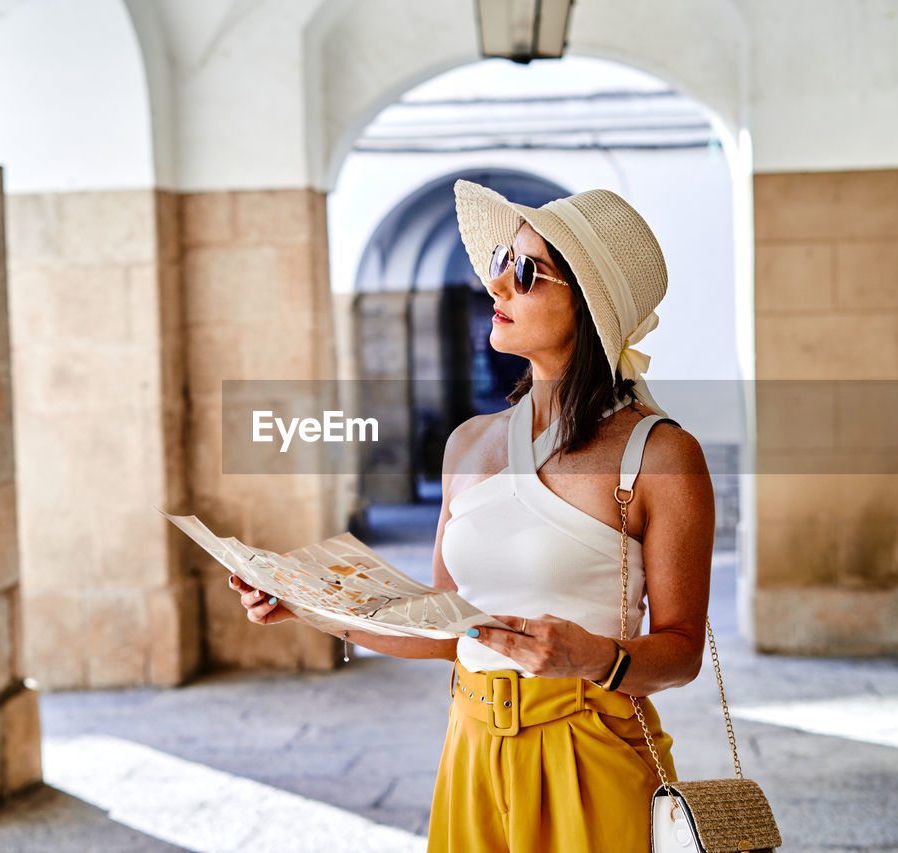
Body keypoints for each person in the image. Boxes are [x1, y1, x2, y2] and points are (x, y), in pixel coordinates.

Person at [228, 179, 715, 852]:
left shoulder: (660, 456)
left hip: (591, 750)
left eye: (525, 272)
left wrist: (595, 655)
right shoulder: (468, 443)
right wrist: (310, 606)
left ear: (591, 305)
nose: (497, 288)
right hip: (470, 747)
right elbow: (444, 625)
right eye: (497, 265)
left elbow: (683, 648)